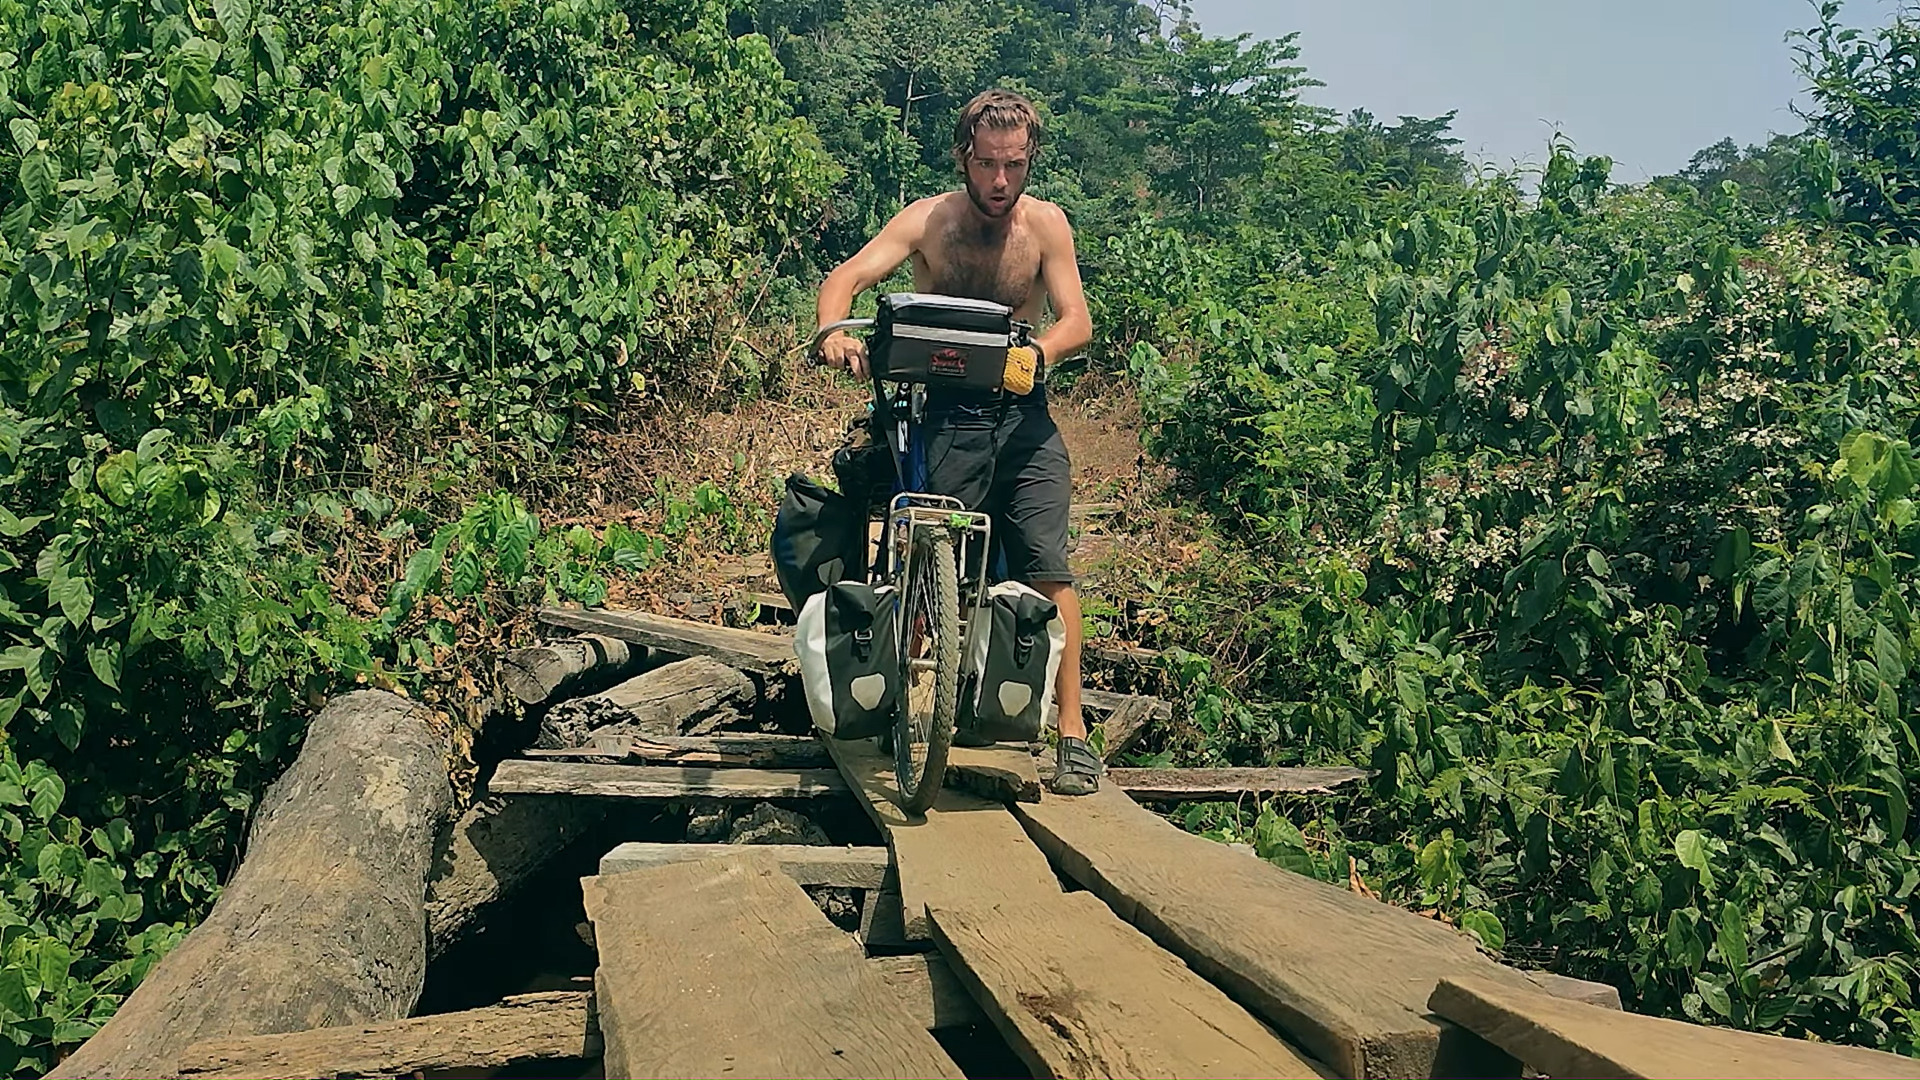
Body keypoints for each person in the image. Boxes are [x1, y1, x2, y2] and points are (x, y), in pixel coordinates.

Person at [814, 89, 1100, 796]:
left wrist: (1042, 353)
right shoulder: (930, 222)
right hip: (944, 407)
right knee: (924, 543)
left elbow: (1077, 320)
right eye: (986, 165)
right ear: (963, 158)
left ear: (1030, 161)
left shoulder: (1046, 227)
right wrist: (837, 334)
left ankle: (1072, 734)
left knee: (1049, 567)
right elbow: (846, 277)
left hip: (1022, 410)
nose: (1000, 182)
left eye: (1014, 165)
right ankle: (893, 702)